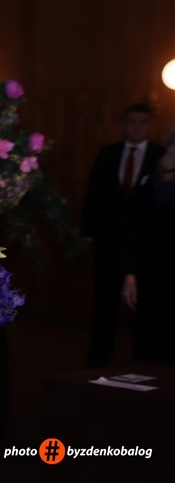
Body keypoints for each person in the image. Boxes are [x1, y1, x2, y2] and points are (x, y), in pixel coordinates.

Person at [81, 103, 165, 367]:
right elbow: (93, 196)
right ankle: (97, 361)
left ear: (150, 125)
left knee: (145, 308)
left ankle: (144, 363)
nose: (137, 127)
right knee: (104, 306)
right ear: (124, 124)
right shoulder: (108, 153)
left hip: (145, 249)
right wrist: (89, 235)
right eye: (132, 121)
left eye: (142, 122)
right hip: (109, 244)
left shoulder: (160, 156)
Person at [122, 127, 175, 362]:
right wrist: (130, 274)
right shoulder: (151, 183)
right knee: (150, 352)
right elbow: (135, 230)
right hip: (154, 275)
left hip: (156, 274)